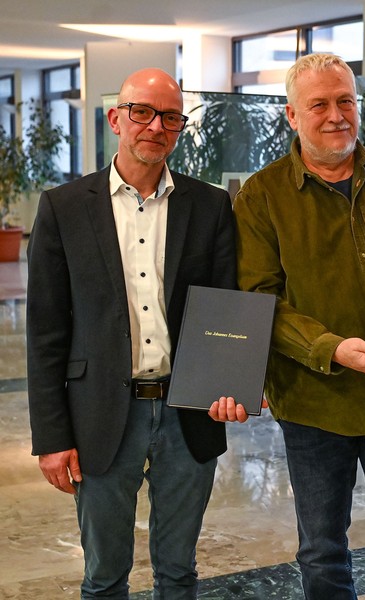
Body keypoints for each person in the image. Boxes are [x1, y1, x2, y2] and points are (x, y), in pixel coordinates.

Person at [231, 53, 365, 600]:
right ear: (292, 115)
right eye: (319, 104)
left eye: (345, 101)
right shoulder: (261, 195)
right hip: (315, 399)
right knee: (322, 549)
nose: (336, 115)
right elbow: (259, 299)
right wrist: (331, 348)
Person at [26, 68, 235, 599]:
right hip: (98, 413)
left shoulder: (210, 206)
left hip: (188, 412)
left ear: (180, 127)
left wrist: (232, 382)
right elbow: (46, 332)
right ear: (115, 119)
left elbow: (226, 306)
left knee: (179, 572)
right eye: (142, 112)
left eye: (170, 117)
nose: (156, 126)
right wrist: (52, 438)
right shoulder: (64, 207)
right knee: (103, 577)